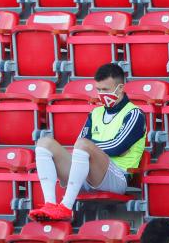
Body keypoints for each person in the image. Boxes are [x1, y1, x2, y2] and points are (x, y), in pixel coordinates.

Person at [28, 62, 146, 222]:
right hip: (88, 172)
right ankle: (50, 204)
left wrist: (93, 147)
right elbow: (85, 145)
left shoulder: (134, 114)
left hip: (118, 177)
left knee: (84, 145)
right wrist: (99, 147)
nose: (101, 94)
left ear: (120, 88)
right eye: (98, 89)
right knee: (44, 143)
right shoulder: (95, 113)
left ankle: (66, 207)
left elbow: (118, 147)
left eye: (106, 90)